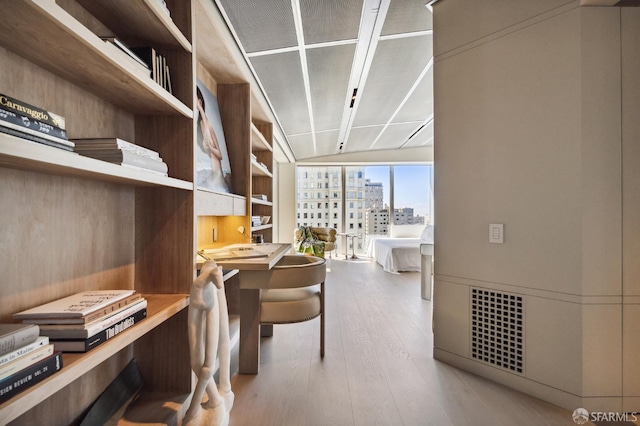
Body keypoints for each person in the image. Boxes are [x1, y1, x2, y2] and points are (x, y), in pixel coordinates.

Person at [184, 260, 234, 426]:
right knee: (198, 364)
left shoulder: (210, 288)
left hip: (205, 303)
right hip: (200, 303)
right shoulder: (200, 286)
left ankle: (210, 403)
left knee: (204, 367)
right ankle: (213, 401)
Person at [196, 87, 229, 192]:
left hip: (217, 177)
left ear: (200, 101)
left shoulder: (206, 124)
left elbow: (220, 155)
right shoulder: (201, 125)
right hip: (215, 176)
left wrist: (209, 147)